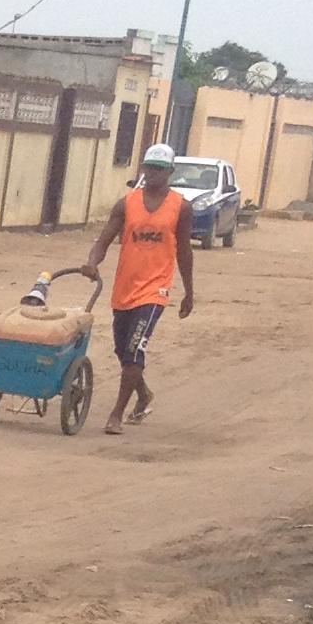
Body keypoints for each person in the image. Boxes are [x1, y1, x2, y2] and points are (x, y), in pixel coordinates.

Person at [82, 142, 194, 435]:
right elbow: (104, 239)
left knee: (134, 349)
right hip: (124, 288)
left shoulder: (181, 207)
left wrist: (189, 292)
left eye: (160, 169)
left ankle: (116, 413)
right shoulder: (126, 203)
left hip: (154, 290)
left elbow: (184, 251)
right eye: (150, 168)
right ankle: (143, 394)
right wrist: (92, 262)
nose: (154, 174)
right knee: (123, 349)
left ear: (170, 171)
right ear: (143, 168)